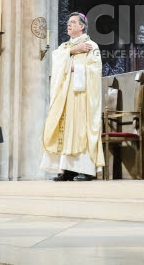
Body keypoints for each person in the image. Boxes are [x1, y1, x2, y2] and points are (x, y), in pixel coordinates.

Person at [42, 12, 105, 181]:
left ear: (82, 26)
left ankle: (86, 170)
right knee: (67, 129)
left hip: (83, 96)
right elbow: (56, 61)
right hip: (66, 96)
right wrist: (73, 50)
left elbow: (95, 71)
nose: (68, 25)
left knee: (81, 130)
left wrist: (75, 69)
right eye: (68, 22)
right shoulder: (65, 47)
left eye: (73, 22)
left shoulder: (91, 46)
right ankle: (68, 170)